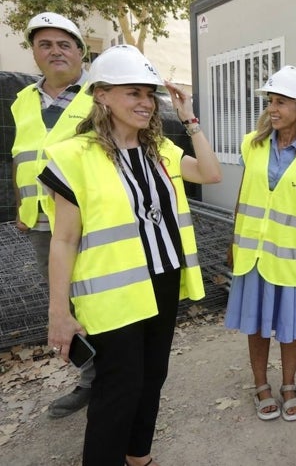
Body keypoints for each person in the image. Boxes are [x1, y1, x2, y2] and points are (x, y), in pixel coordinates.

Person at [42, 44, 222, 466]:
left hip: (161, 280)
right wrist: (58, 313)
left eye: (149, 94)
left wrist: (189, 118)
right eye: (133, 93)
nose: (145, 103)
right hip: (112, 292)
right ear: (101, 94)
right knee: (119, 387)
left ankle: (138, 456)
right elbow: (63, 240)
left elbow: (211, 173)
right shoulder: (74, 157)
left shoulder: (160, 149)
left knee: (153, 377)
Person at [226, 65, 296, 422]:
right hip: (252, 255)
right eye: (270, 101)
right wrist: (233, 241)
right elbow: (243, 195)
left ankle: (288, 385)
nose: (272, 108)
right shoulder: (252, 145)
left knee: (290, 329)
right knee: (256, 325)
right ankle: (261, 384)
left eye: (281, 102)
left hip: (292, 260)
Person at [11, 12, 95, 418]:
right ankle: (92, 378)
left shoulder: (99, 95)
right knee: (65, 305)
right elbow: (21, 156)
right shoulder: (23, 101)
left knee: (99, 298)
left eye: (64, 44)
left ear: (81, 52)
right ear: (35, 54)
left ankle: (112, 379)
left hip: (90, 221)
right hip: (42, 224)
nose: (55, 51)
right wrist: (20, 203)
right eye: (46, 44)